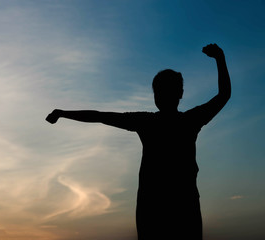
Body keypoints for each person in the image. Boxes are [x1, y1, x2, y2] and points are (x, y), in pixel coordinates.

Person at [46, 43, 231, 240]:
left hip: (161, 205)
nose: (160, 95)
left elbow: (99, 116)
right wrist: (219, 58)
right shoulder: (186, 121)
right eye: (159, 91)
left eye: (161, 91)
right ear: (180, 94)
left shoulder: (151, 122)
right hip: (175, 204)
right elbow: (223, 95)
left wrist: (63, 113)